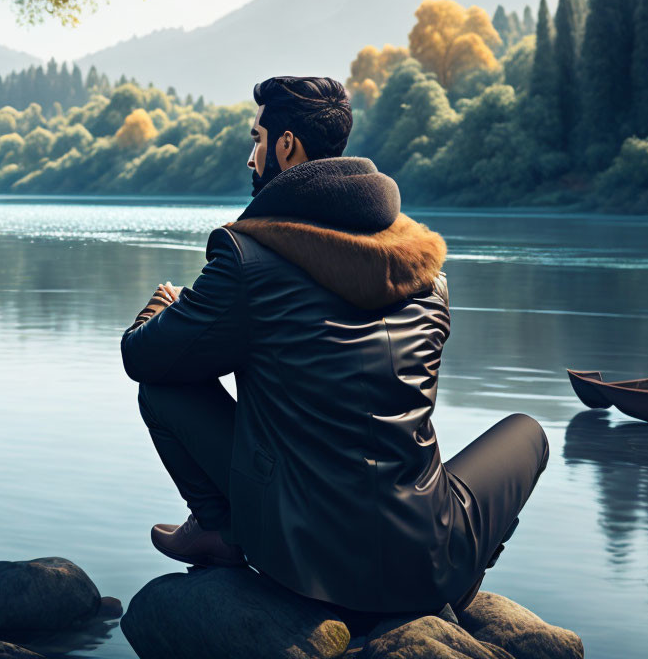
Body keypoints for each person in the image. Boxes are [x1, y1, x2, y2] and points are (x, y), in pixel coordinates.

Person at [120, 75, 549, 616]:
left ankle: (218, 528)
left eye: (256, 140)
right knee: (528, 434)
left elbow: (143, 358)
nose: (252, 158)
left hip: (302, 559)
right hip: (428, 554)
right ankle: (458, 577)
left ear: (286, 145)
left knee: (164, 387)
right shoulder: (426, 274)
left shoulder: (248, 261)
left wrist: (165, 308)